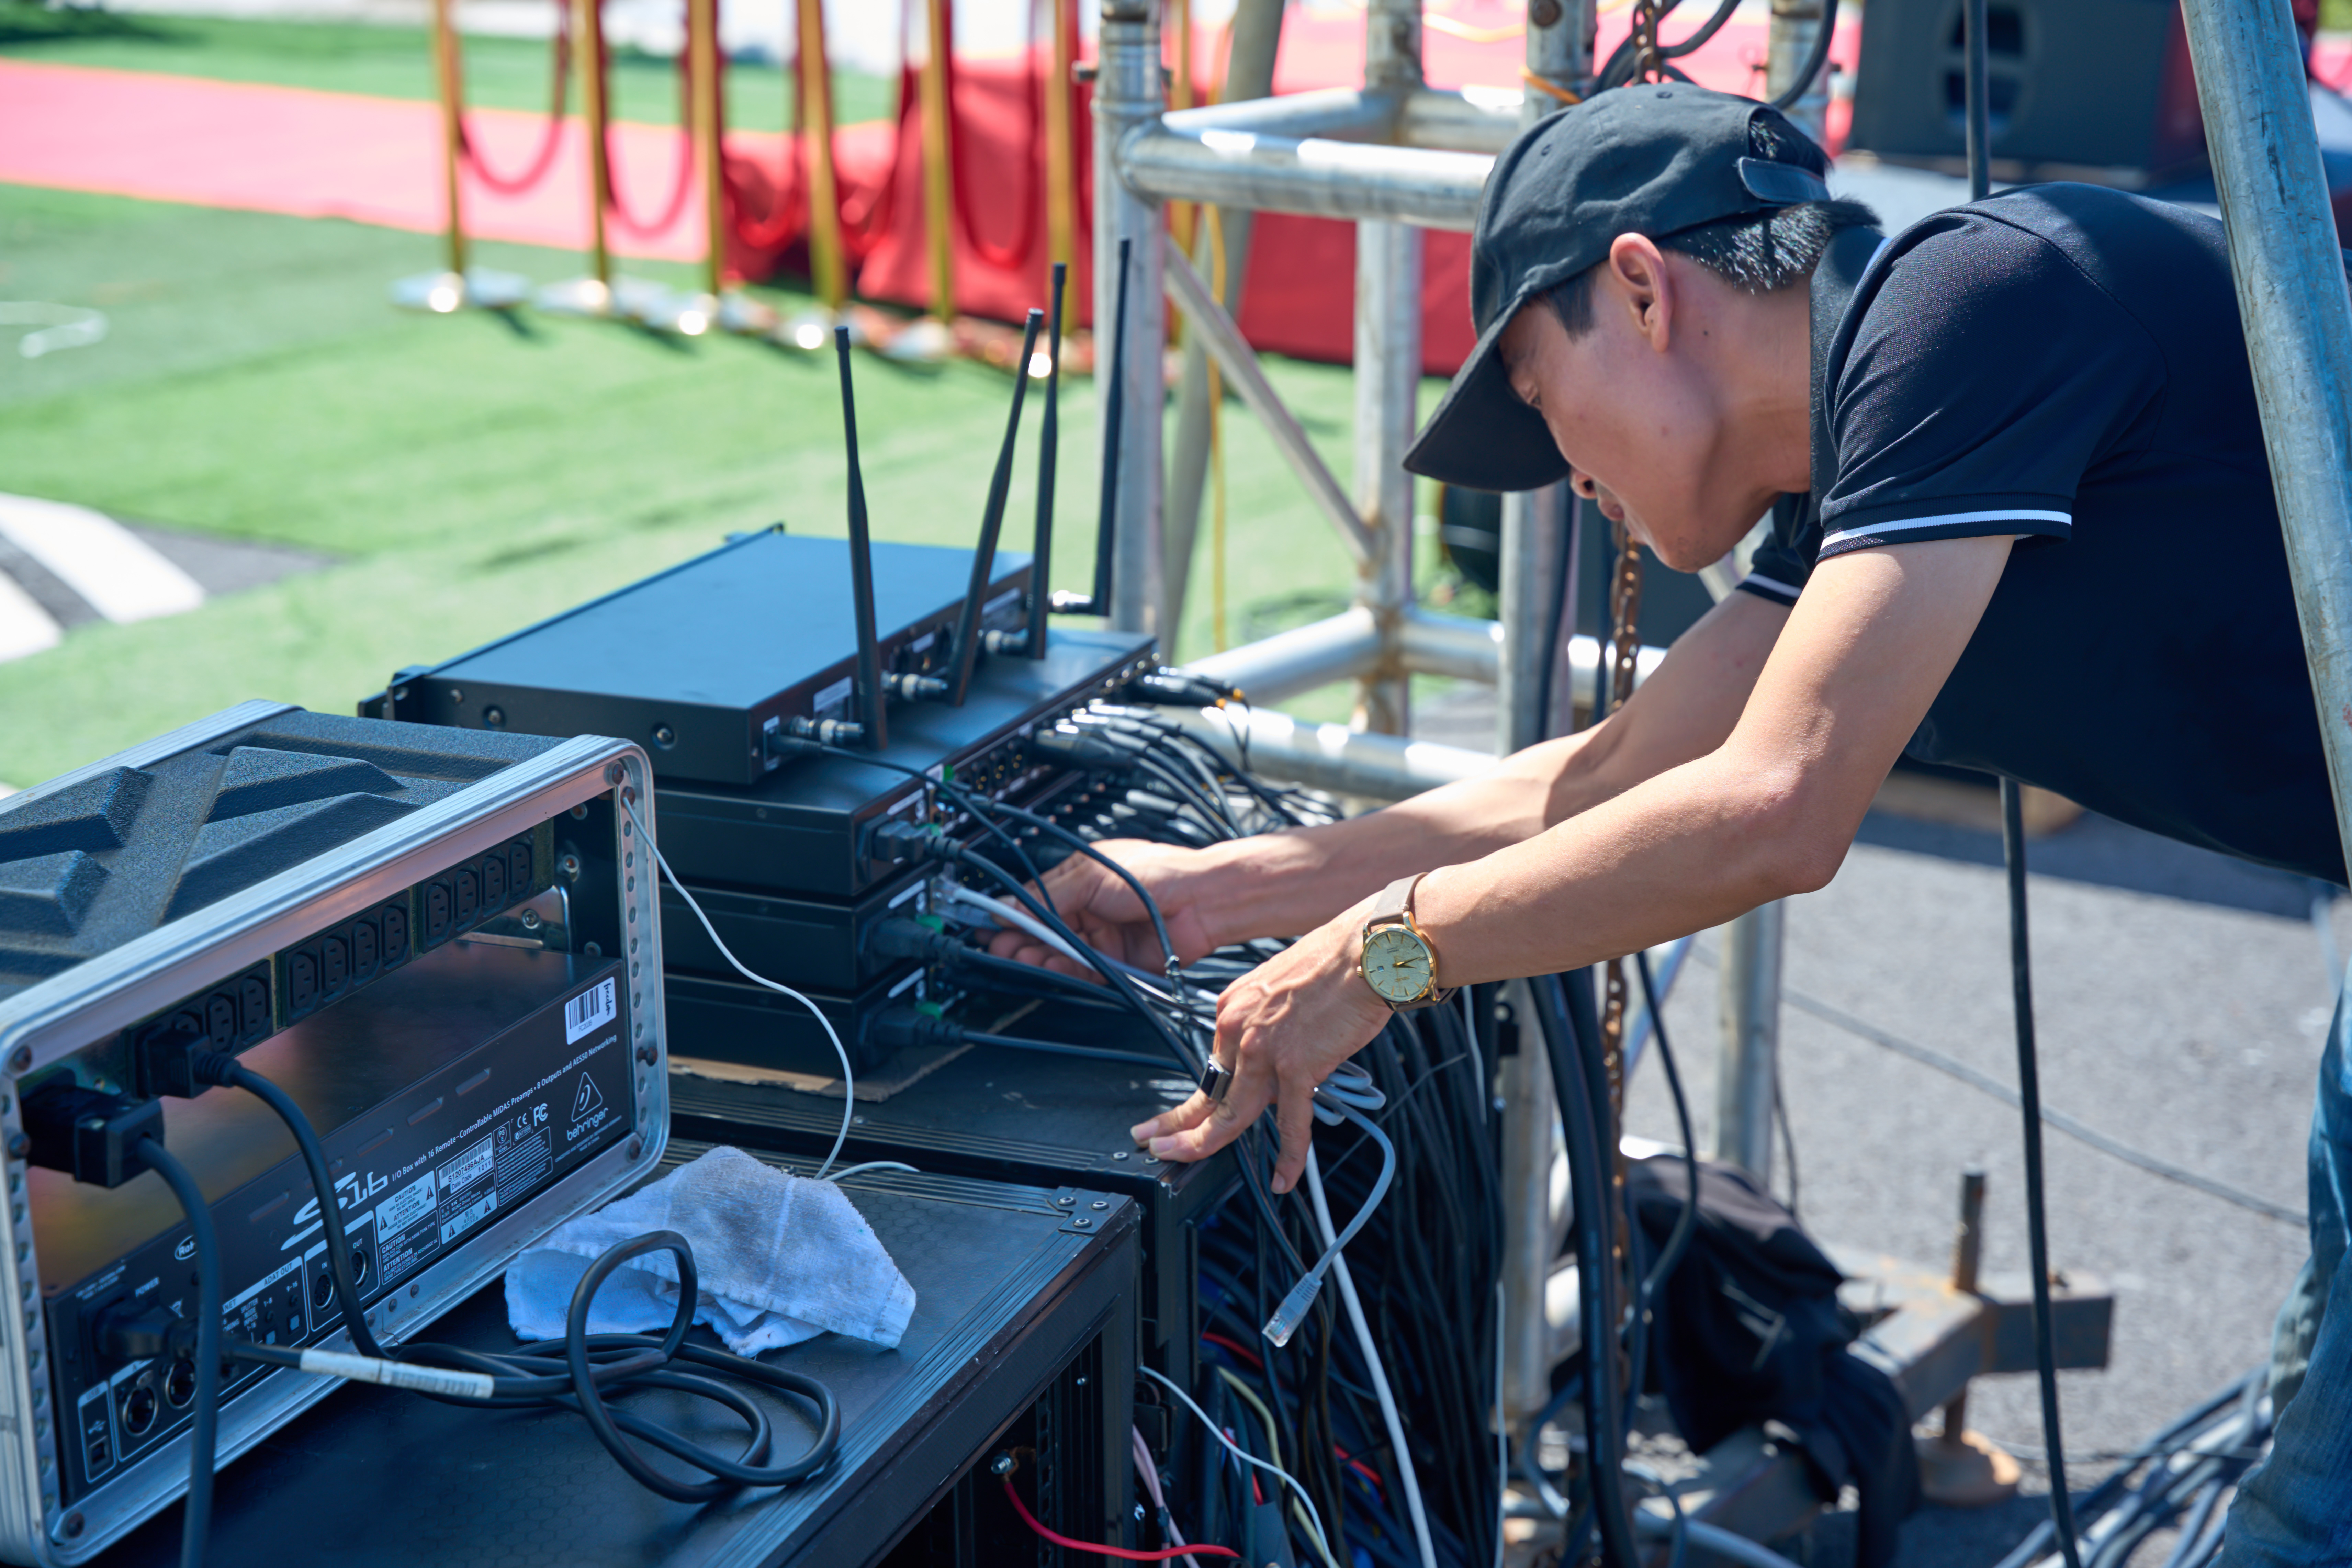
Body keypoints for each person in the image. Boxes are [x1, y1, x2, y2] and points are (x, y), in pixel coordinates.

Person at [993, 87, 2350, 1561]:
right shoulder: (1860, 465)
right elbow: (1613, 775)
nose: (1568, 477)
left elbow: (1774, 809)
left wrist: (1377, 959)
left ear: (1640, 289)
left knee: (2299, 1508)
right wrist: (1204, 895)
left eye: (1531, 387)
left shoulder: (1977, 302)